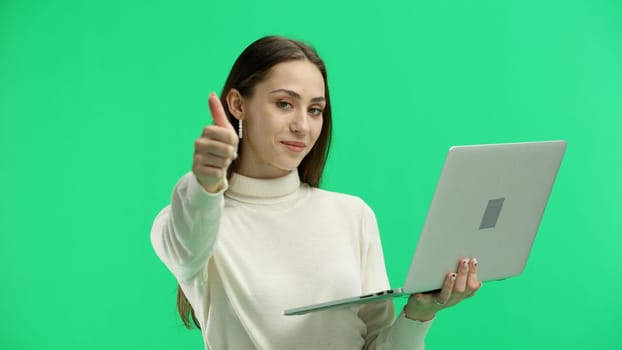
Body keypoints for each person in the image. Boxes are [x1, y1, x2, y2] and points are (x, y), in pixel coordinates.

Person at [151, 35, 481, 349]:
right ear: (238, 104)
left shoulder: (354, 215)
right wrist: (205, 179)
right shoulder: (193, 226)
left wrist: (420, 315)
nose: (303, 126)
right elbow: (191, 224)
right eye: (284, 104)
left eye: (315, 110)